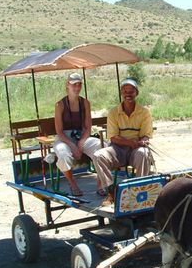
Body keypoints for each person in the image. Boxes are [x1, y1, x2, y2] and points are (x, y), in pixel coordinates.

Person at [94, 78, 153, 206]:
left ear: (136, 93)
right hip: (118, 149)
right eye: (125, 91)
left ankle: (140, 191)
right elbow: (114, 137)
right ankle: (112, 193)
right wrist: (131, 143)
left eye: (131, 91)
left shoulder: (144, 112)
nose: (128, 94)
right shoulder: (114, 112)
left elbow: (146, 135)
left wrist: (143, 141)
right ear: (121, 93)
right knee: (98, 156)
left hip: (136, 150)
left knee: (143, 153)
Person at [53, 73, 102, 196]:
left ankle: (101, 183)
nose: (77, 87)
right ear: (68, 85)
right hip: (64, 138)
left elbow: (87, 127)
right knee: (63, 153)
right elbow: (59, 131)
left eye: (79, 84)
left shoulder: (85, 103)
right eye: (74, 84)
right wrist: (72, 145)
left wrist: (81, 142)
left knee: (101, 147)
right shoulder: (60, 105)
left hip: (81, 136)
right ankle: (72, 183)